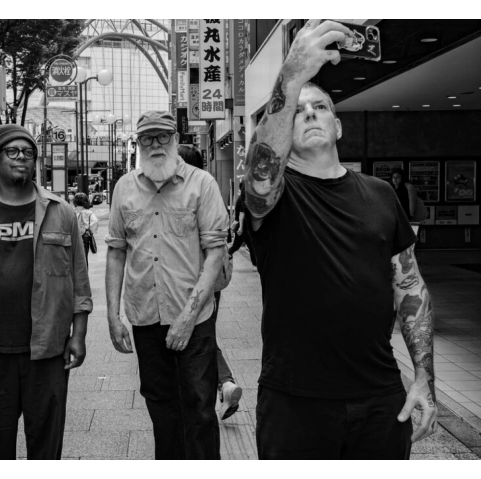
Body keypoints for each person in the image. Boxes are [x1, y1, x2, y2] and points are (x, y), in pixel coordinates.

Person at [243, 20, 436, 463]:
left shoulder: (381, 194)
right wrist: (291, 76)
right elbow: (259, 178)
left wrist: (424, 377)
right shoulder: (275, 195)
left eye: (320, 107)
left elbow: (410, 287)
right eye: (298, 110)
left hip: (380, 396)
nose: (310, 113)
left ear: (338, 126)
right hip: (294, 400)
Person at [0, 124, 92, 462]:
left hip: (47, 350)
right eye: (12, 152)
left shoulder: (61, 212)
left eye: (28, 153)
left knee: (46, 451)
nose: (22, 158)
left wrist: (79, 335)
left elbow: (79, 282)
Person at [106, 111, 228, 463]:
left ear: (175, 139)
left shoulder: (202, 184)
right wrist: (112, 317)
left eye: (163, 137)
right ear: (138, 143)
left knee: (199, 403)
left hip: (194, 316)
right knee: (159, 401)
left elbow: (215, 252)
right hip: (145, 314)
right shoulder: (124, 187)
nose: (155, 144)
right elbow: (116, 251)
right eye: (147, 138)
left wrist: (188, 317)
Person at [177, 144, 243, 421]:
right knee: (204, 333)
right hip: (213, 280)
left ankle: (219, 386)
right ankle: (223, 385)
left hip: (188, 281)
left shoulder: (184, 199)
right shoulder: (211, 193)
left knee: (197, 336)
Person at [227, 182, 257, 267]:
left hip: (242, 227)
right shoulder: (243, 198)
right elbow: (241, 213)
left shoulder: (240, 198)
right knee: (251, 246)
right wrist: (241, 227)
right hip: (243, 228)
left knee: (237, 246)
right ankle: (255, 264)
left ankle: (227, 256)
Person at [73, 192, 99, 264]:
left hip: (74, 235)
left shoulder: (72, 211)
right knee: (84, 256)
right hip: (85, 236)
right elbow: (95, 221)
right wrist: (90, 231)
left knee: (74, 256)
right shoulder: (88, 212)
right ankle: (84, 269)